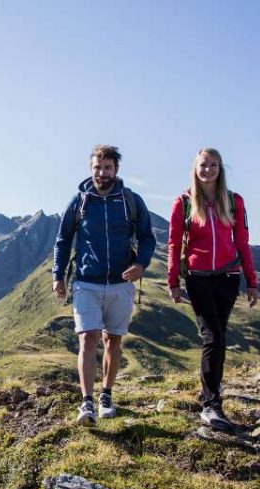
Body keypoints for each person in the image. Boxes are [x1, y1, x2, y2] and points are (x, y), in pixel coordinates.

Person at [53, 144, 155, 425]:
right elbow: (63, 240)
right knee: (88, 338)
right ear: (91, 169)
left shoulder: (130, 201)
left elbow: (147, 236)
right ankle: (86, 403)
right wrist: (57, 276)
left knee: (114, 340)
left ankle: (106, 395)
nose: (102, 173)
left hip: (121, 283)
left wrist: (141, 264)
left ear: (116, 169)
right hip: (86, 282)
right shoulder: (79, 201)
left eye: (107, 168)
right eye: (97, 167)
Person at [166, 147, 259, 429]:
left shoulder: (234, 201)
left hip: (228, 278)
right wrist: (173, 281)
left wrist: (252, 281)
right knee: (212, 337)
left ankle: (210, 393)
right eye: (203, 165)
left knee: (220, 337)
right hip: (198, 278)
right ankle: (210, 405)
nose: (208, 170)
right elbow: (173, 244)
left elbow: (242, 242)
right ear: (195, 169)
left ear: (221, 169)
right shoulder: (183, 202)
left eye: (213, 165)